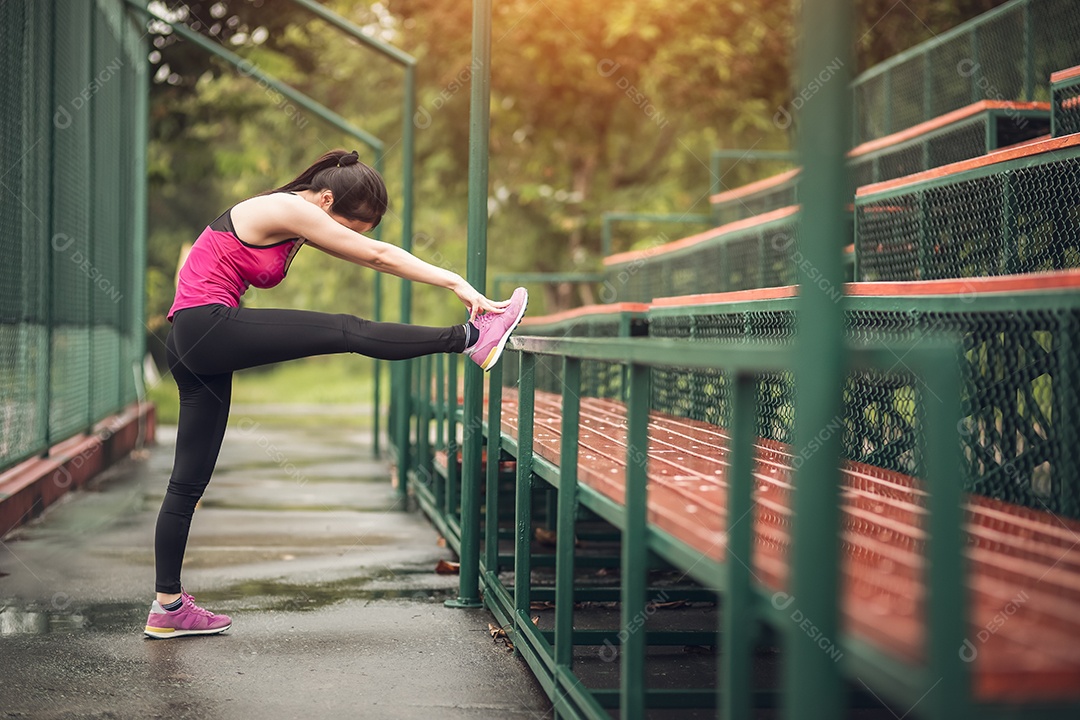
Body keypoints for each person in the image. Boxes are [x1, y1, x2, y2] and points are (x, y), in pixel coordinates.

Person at [144, 149, 528, 639]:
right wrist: (456, 281)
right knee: (347, 329)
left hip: (189, 336)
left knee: (187, 483)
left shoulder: (298, 216)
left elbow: (371, 252)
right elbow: (377, 255)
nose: (348, 235)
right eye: (349, 224)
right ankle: (472, 338)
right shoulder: (289, 207)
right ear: (326, 200)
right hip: (206, 325)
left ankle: (168, 607)